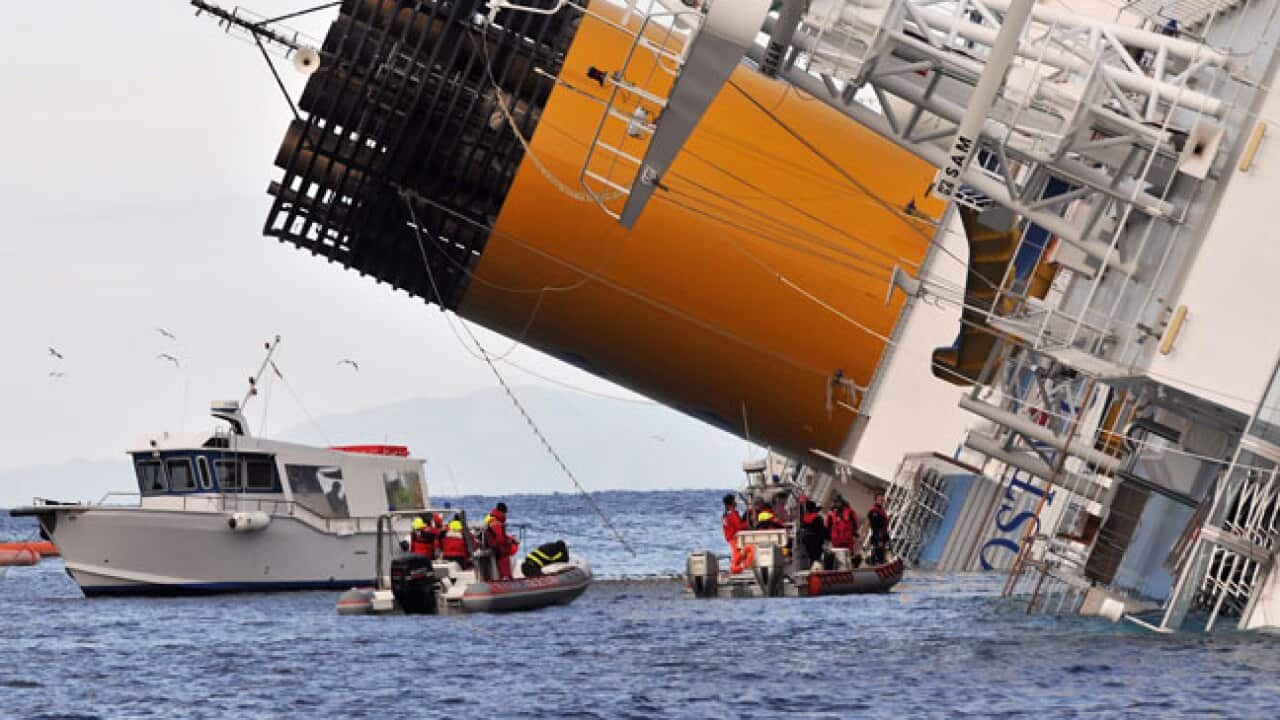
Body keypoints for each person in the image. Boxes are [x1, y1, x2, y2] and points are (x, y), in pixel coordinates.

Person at [484, 502, 519, 580]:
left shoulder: (493, 519)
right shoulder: (496, 522)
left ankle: (505, 575)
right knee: (505, 553)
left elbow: (500, 536)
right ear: (502, 512)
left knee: (506, 550)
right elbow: (500, 539)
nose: (505, 515)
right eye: (505, 513)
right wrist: (511, 540)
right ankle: (505, 576)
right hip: (496, 546)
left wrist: (510, 538)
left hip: (492, 544)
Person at [722, 494, 749, 572]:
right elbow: (739, 526)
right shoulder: (732, 514)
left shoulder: (726, 514)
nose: (736, 502)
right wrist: (747, 524)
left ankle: (736, 567)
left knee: (736, 553)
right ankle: (735, 568)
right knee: (737, 553)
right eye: (734, 501)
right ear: (731, 502)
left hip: (730, 537)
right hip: (734, 537)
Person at [797, 499, 827, 570]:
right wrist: (823, 541)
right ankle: (816, 570)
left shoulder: (804, 518)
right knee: (816, 558)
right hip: (816, 541)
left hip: (806, 540)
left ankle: (810, 568)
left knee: (810, 557)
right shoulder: (817, 518)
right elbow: (821, 531)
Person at [867, 493, 891, 565]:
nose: (881, 500)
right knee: (878, 553)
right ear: (876, 500)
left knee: (887, 550)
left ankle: (886, 562)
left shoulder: (881, 510)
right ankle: (876, 563)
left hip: (884, 535)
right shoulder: (874, 511)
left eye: (882, 499)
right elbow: (875, 526)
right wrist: (879, 538)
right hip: (878, 536)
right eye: (879, 499)